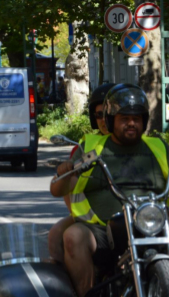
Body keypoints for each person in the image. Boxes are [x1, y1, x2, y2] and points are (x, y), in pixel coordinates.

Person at [51, 84, 169, 297]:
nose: (131, 124)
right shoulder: (92, 147)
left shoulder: (157, 146)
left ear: (144, 121)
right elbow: (60, 189)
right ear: (112, 121)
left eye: (136, 119)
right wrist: (64, 171)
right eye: (125, 119)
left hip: (150, 221)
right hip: (104, 228)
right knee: (73, 237)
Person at [48, 82, 115, 263]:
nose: (104, 120)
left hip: (135, 218)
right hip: (91, 221)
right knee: (56, 235)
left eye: (108, 115)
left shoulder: (141, 144)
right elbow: (67, 189)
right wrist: (77, 217)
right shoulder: (86, 146)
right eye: (99, 115)